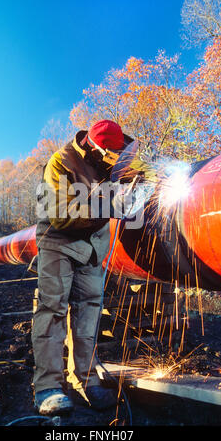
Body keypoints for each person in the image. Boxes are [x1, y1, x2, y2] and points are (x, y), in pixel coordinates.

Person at [32, 120, 146, 416]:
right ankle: (48, 387)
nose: (113, 160)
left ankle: (85, 380)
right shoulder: (60, 161)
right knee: (53, 309)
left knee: (89, 312)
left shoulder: (119, 154)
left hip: (93, 245)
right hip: (59, 239)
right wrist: (109, 207)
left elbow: (146, 171)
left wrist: (148, 181)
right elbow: (60, 214)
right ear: (94, 147)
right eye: (108, 154)